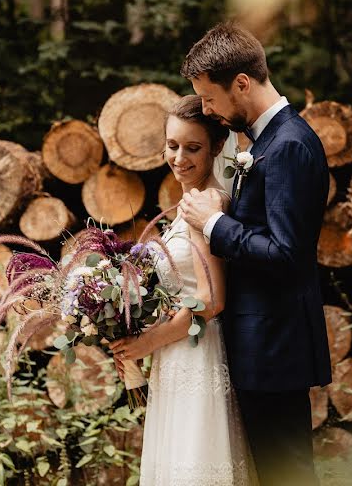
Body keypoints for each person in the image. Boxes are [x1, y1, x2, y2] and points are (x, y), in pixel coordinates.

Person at [178, 22, 332, 486]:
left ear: (241, 83)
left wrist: (214, 224)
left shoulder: (288, 146)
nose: (206, 109)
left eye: (209, 97)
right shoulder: (264, 142)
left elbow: (288, 254)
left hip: (275, 349)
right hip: (261, 348)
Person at [110, 94, 257, 485]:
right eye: (172, 146)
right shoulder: (188, 205)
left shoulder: (205, 205)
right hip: (175, 355)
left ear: (216, 148)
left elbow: (213, 299)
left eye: (192, 148)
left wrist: (147, 342)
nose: (179, 158)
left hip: (196, 352)